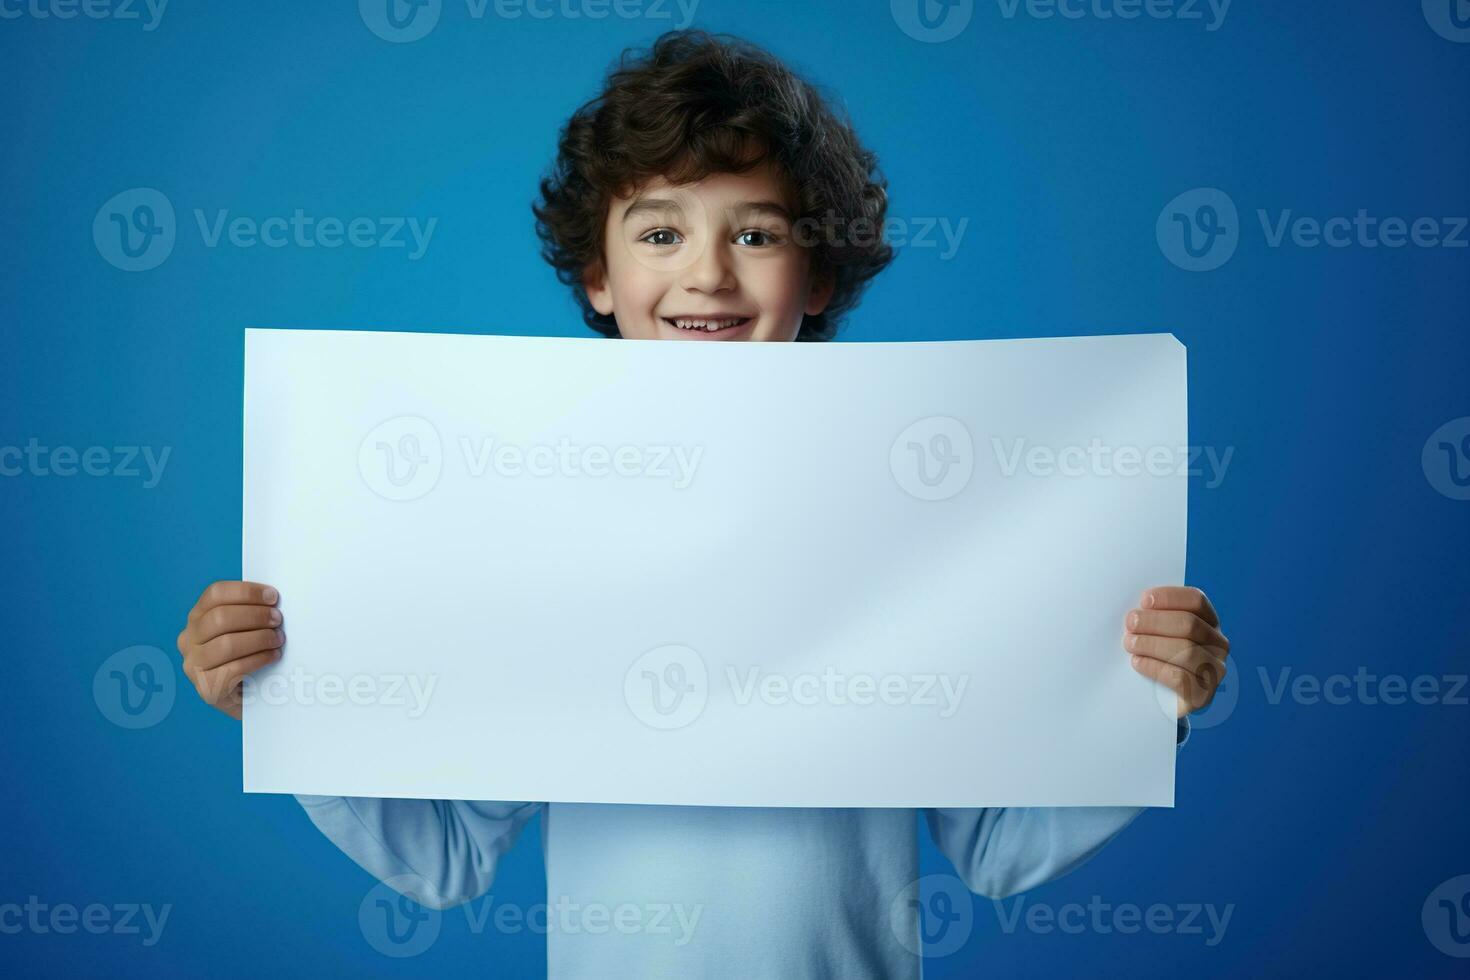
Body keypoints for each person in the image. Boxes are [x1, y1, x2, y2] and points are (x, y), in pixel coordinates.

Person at [176, 30, 1230, 978]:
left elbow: (997, 844)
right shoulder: (528, 521)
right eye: (661, 232)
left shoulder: (914, 516)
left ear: (817, 273)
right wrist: (287, 696)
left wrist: (1143, 702)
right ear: (598, 272)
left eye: (759, 235)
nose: (710, 275)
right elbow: (446, 855)